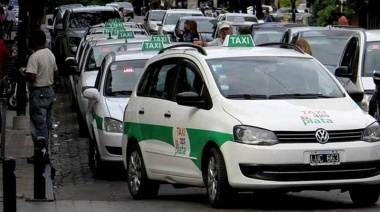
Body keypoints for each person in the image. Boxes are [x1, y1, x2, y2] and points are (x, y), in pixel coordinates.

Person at [19, 30, 59, 164]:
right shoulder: (50, 54)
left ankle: (41, 153)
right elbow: (56, 73)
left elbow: (33, 77)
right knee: (46, 124)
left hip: (38, 93)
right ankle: (44, 151)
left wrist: (24, 74)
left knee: (38, 125)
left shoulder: (34, 57)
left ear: (35, 41)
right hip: (49, 91)